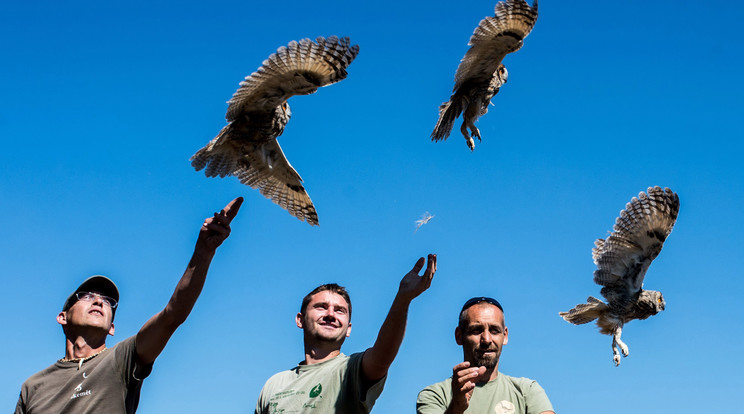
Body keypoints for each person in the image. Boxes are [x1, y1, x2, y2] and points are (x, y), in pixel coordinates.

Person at [15, 197, 243, 414]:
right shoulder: (33, 386)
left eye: (108, 301)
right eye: (86, 296)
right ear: (62, 317)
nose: (98, 301)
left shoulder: (121, 359)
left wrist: (203, 252)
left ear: (112, 327)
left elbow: (172, 314)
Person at [255, 254, 437, 414]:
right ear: (300, 319)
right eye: (321, 307)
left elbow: (382, 356)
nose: (330, 315)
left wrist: (403, 299)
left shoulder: (352, 369)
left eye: (340, 310)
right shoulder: (274, 384)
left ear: (348, 328)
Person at [417, 297, 554, 414]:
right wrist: (457, 406)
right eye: (476, 330)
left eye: (494, 330)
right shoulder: (435, 395)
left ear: (505, 336)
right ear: (459, 336)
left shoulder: (527, 391)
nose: (487, 339)